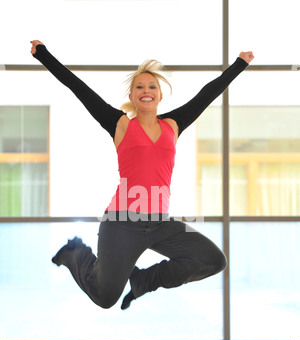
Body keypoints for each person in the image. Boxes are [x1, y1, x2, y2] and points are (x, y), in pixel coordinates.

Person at [30, 40, 254, 310]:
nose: (145, 91)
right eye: (139, 87)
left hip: (160, 223)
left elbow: (208, 94)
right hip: (121, 222)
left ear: (160, 95)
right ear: (132, 95)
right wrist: (43, 55)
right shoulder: (121, 125)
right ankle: (75, 252)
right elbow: (78, 87)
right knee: (105, 297)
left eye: (152, 87)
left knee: (213, 260)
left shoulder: (173, 124)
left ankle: (143, 280)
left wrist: (239, 64)